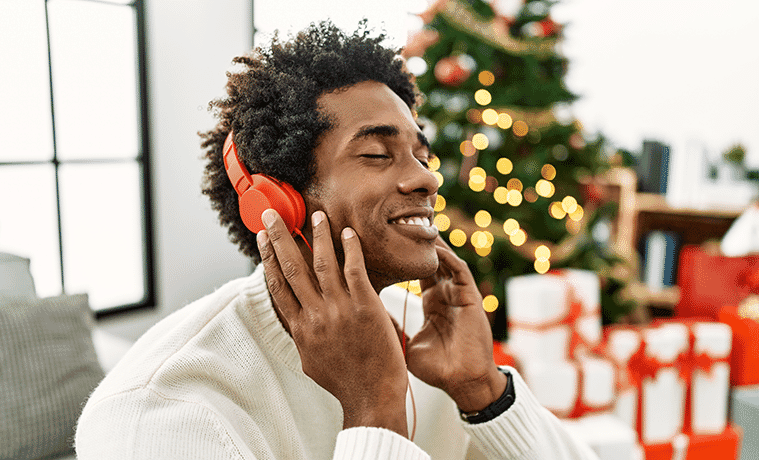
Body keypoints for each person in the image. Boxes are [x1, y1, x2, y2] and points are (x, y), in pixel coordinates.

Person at [75, 20, 599, 460]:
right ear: (277, 202)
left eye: (423, 155)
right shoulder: (155, 414)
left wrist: (482, 391)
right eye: (376, 154)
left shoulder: (420, 331)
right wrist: (374, 409)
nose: (427, 179)